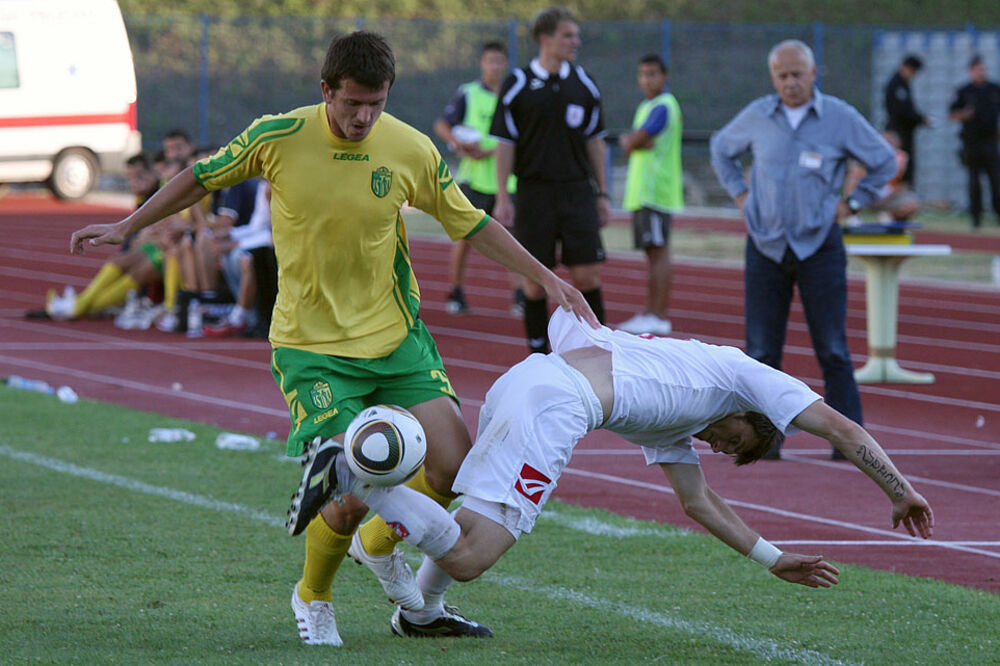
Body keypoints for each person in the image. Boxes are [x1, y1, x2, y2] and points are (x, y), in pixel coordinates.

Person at [68, 30, 598, 647]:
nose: (364, 117)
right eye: (352, 103)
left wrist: (545, 277)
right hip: (313, 350)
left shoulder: (410, 148)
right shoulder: (278, 137)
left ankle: (377, 544)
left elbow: (472, 222)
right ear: (326, 91)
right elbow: (201, 176)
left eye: (376, 103)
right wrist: (130, 224)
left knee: (453, 467)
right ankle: (313, 596)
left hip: (396, 339)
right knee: (348, 493)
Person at [303, 307, 934, 638]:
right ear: (753, 413)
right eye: (737, 441)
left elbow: (699, 503)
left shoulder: (679, 408)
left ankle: (421, 614)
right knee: (471, 556)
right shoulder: (744, 374)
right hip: (556, 408)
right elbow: (842, 428)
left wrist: (773, 559)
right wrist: (899, 490)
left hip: (528, 380)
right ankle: (361, 481)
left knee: (470, 524)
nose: (721, 446)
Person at [709, 39, 896, 460]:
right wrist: (740, 194)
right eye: (782, 76)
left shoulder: (840, 117)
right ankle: (762, 444)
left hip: (820, 245)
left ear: (814, 74)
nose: (790, 83)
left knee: (833, 349)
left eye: (797, 74)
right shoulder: (758, 115)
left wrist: (853, 202)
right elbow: (721, 148)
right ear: (772, 78)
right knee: (761, 351)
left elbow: (884, 160)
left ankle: (851, 446)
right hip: (766, 244)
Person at [490, 6, 610, 354]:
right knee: (534, 283)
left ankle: (597, 349)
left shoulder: (584, 83)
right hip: (533, 193)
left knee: (587, 276)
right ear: (545, 38)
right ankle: (539, 355)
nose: (576, 41)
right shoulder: (518, 84)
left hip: (577, 191)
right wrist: (503, 196)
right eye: (568, 35)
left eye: (577, 35)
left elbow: (595, 141)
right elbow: (505, 143)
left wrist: (602, 193)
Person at [433, 41, 523, 316]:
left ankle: (519, 295)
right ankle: (457, 291)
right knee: (464, 238)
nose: (494, 66)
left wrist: (492, 150)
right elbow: (442, 124)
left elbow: (521, 135)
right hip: (472, 179)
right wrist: (458, 144)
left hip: (506, 181)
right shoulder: (469, 93)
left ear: (505, 64)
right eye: (489, 60)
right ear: (482, 63)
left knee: (512, 240)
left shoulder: (513, 96)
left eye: (499, 61)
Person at [617, 53, 682, 337]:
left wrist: (632, 141)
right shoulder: (648, 106)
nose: (647, 79)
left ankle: (658, 315)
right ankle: (651, 312)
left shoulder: (663, 106)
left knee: (658, 252)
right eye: (643, 74)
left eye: (653, 74)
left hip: (655, 190)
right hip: (645, 191)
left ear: (664, 76)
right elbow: (639, 141)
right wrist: (635, 142)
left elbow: (635, 140)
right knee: (653, 252)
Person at [948, 55, 1000, 229]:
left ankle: (998, 214)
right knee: (974, 182)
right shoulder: (964, 91)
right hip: (971, 143)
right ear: (970, 71)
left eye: (983, 69)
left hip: (990, 142)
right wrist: (965, 114)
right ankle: (976, 218)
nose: (981, 72)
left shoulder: (994, 89)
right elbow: (951, 115)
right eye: (978, 69)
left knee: (996, 180)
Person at [843, 130, 921, 224]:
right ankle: (854, 213)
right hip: (867, 194)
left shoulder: (901, 159)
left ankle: (890, 215)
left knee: (912, 203)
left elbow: (904, 186)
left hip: (888, 197)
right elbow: (855, 176)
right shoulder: (869, 156)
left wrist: (885, 200)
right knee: (853, 174)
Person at [883, 55, 929, 187]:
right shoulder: (896, 85)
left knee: (906, 166)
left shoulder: (904, 84)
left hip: (905, 131)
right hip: (898, 131)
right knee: (899, 166)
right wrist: (920, 119)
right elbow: (902, 111)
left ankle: (904, 193)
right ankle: (895, 193)